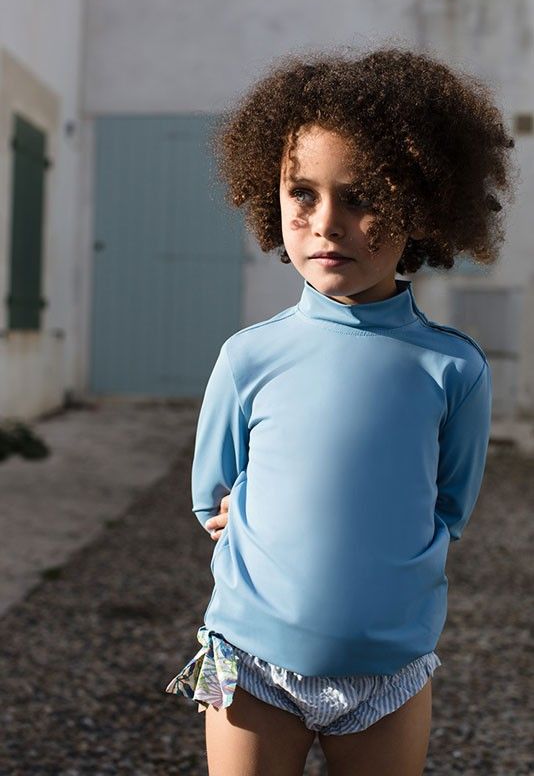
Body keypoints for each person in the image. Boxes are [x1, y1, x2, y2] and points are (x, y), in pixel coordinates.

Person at [165, 45, 517, 775]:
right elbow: (212, 498)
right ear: (274, 196)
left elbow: (450, 506)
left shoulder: (454, 368)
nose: (327, 223)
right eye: (304, 193)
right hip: (251, 668)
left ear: (422, 205)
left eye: (361, 197)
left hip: (389, 678)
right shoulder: (247, 358)